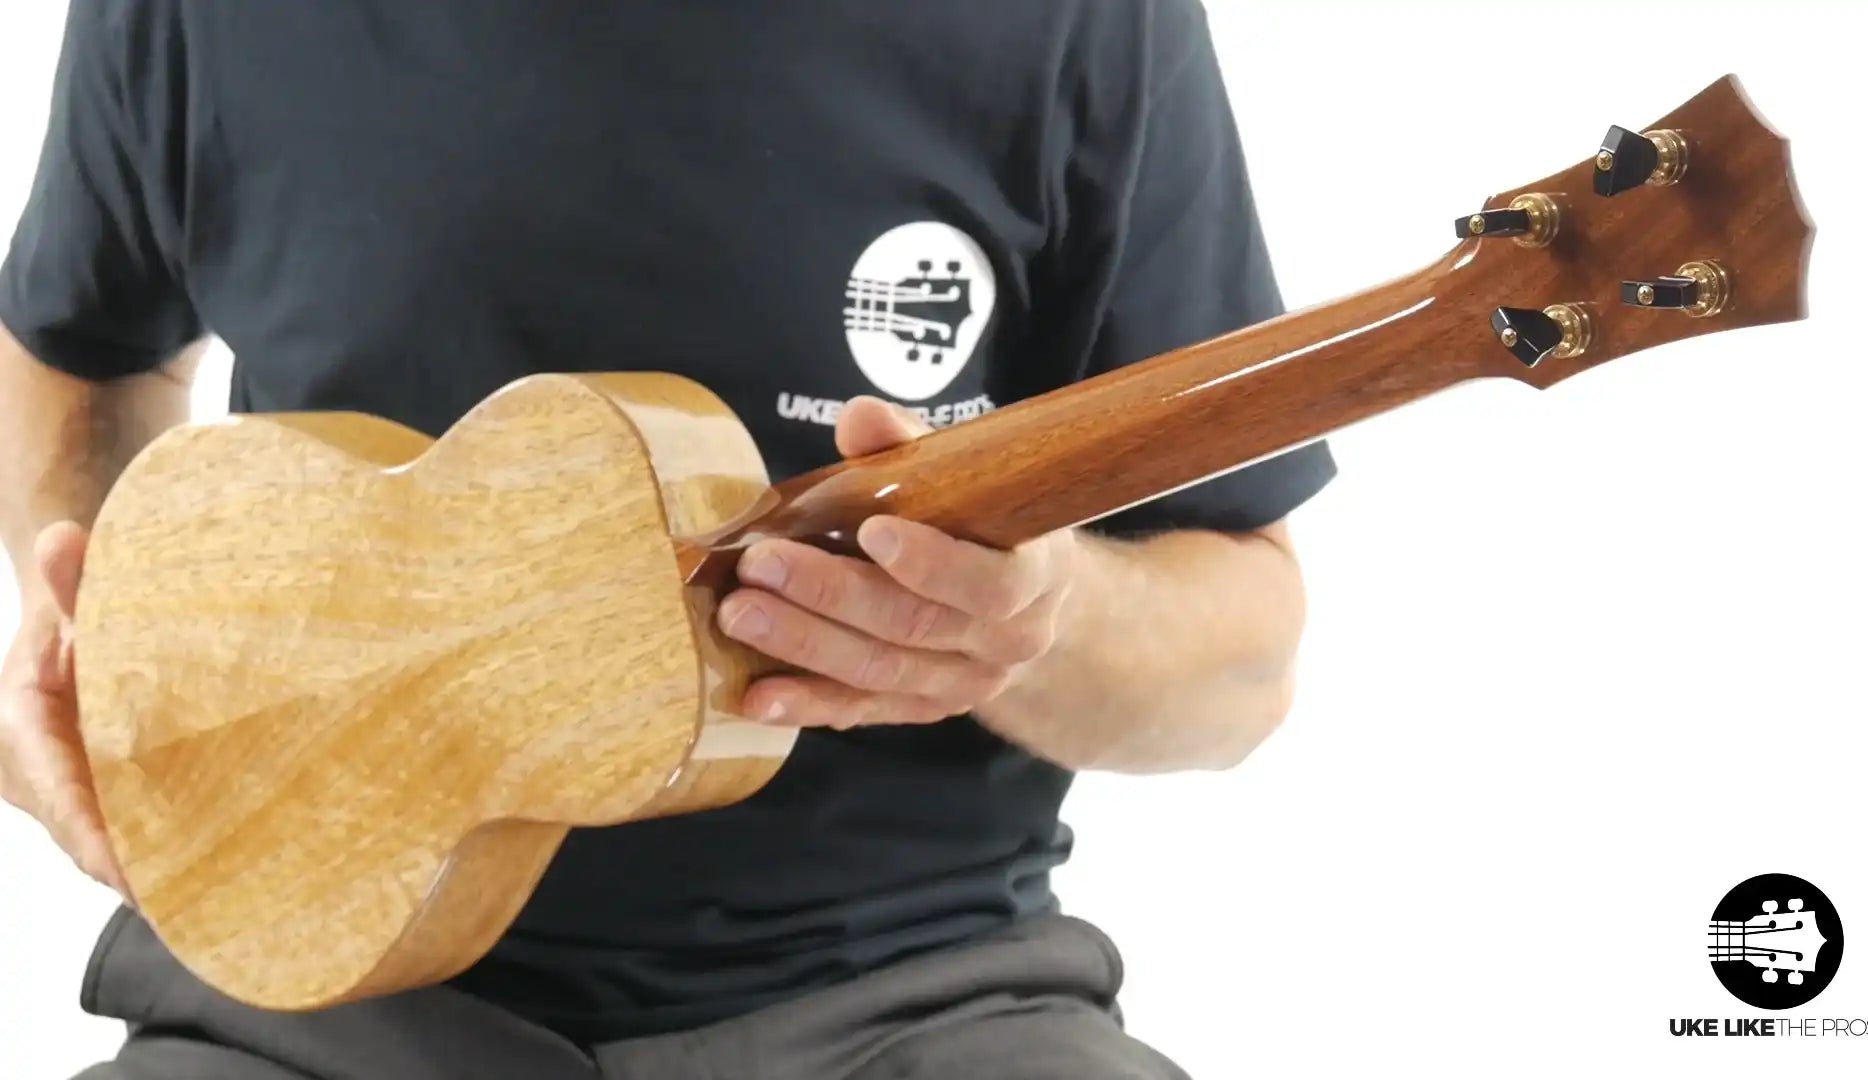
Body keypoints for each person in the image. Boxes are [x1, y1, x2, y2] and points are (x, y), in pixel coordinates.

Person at [0, 3, 1336, 1077]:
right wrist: (127, 661)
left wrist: (1036, 625)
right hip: (308, 992)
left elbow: (1244, 662)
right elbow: (74, 354)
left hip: (917, 999)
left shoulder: (1074, 23)